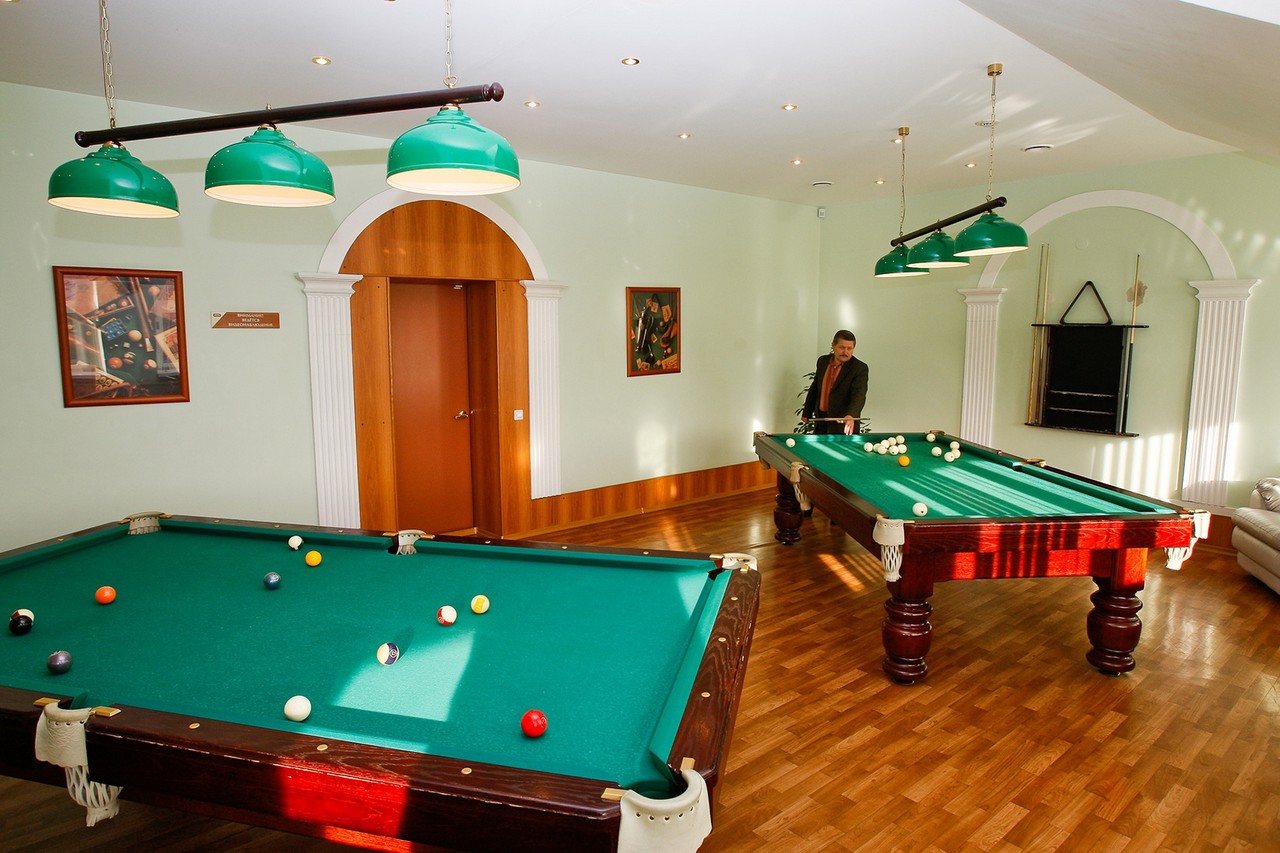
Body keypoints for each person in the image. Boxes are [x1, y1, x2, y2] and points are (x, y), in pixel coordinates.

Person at [801, 330, 868, 435]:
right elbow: (815, 388)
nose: (845, 352)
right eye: (842, 347)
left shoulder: (859, 368)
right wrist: (807, 412)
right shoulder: (822, 361)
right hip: (821, 422)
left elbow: (859, 395)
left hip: (844, 425)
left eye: (849, 348)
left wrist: (851, 415)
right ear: (833, 346)